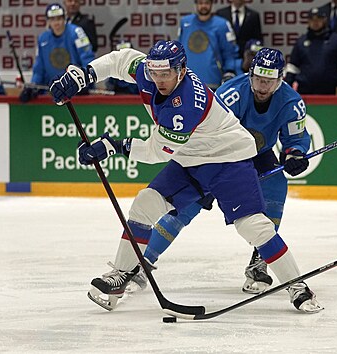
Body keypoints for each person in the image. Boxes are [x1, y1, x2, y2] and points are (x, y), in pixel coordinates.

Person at [49, 39, 323, 314]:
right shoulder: (150, 70)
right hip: (191, 157)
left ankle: (297, 286)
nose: (159, 80)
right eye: (154, 73)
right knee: (145, 204)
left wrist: (113, 147)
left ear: (181, 70)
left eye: (165, 74)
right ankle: (121, 274)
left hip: (227, 158)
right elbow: (119, 60)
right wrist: (82, 75)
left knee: (253, 226)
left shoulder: (187, 103)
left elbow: (156, 152)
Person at [128, 47, 311, 295]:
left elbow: (295, 138)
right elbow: (204, 134)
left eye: (269, 81)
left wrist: (294, 153)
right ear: (250, 75)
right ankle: (143, 262)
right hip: (214, 156)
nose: (262, 87)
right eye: (258, 79)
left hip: (257, 155)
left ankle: (260, 261)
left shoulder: (291, 102)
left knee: (276, 187)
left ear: (280, 80)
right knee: (184, 206)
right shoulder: (231, 94)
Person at [20, 3, 94, 103]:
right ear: (48, 21)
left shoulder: (76, 32)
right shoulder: (43, 39)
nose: (56, 23)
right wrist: (34, 86)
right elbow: (39, 69)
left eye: (59, 18)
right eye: (52, 19)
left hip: (77, 90)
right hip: (53, 93)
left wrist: (86, 81)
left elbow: (87, 58)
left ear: (64, 18)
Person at [285, 7, 337, 95]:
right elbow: (292, 68)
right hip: (304, 92)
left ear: (324, 20)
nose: (315, 22)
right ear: (308, 22)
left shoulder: (336, 40)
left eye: (318, 19)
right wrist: (286, 92)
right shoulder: (301, 42)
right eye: (312, 19)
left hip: (328, 91)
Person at [179, 0, 239, 90]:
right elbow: (180, 51)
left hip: (213, 83)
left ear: (211, 4)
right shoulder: (185, 23)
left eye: (206, 3)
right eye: (200, 3)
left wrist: (229, 71)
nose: (203, 6)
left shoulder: (222, 25)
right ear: (196, 4)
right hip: (188, 83)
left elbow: (230, 53)